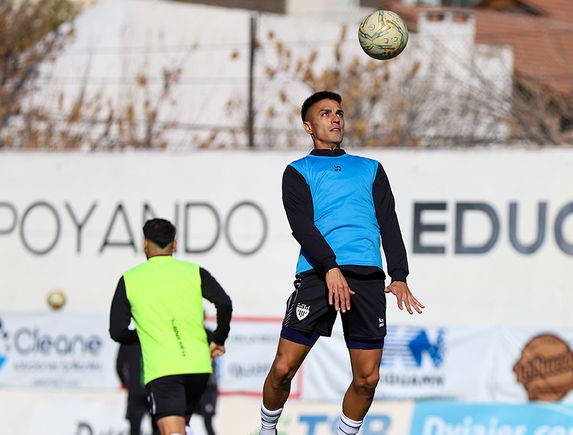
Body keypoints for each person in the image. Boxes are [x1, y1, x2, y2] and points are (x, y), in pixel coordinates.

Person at [258, 91, 425, 435]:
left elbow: (389, 222)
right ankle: (267, 428)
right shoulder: (298, 171)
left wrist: (399, 274)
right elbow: (302, 227)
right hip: (319, 274)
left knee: (368, 379)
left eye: (339, 113)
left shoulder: (370, 168)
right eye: (325, 113)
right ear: (308, 127)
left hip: (366, 277)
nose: (336, 118)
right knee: (283, 368)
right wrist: (330, 266)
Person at [110, 218, 233, 435]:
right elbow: (224, 303)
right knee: (181, 427)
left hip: (163, 369)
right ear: (174, 244)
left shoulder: (130, 279)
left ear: (145, 243)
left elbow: (117, 331)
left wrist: (145, 334)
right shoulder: (194, 272)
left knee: (172, 431)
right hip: (198, 367)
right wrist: (218, 339)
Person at [116, 342, 160, 435]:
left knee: (135, 429)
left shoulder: (127, 340)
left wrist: (128, 384)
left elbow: (119, 366)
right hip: (154, 389)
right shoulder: (154, 337)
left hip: (136, 390)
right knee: (157, 427)